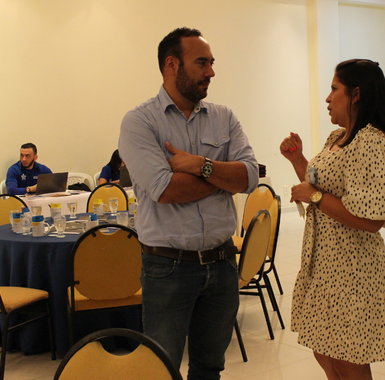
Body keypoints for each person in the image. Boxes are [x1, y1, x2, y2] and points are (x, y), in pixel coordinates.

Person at [118, 27, 258, 380]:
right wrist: (223, 177)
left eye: (211, 63)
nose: (211, 71)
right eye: (202, 63)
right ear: (171, 65)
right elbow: (165, 189)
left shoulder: (224, 116)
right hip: (167, 268)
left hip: (222, 263)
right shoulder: (139, 122)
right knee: (161, 370)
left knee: (210, 368)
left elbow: (250, 177)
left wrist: (199, 166)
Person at [280, 59, 385, 380]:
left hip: (354, 271)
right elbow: (317, 184)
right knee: (324, 350)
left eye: (334, 89)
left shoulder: (372, 142)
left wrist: (314, 197)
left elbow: (371, 218)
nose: (328, 98)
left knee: (349, 359)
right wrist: (297, 159)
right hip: (326, 266)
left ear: (356, 94)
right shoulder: (338, 138)